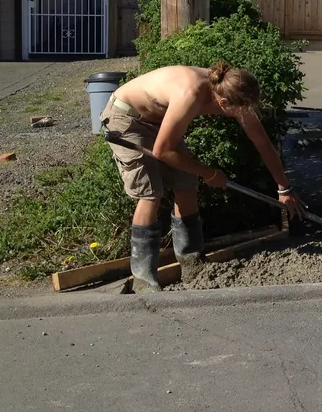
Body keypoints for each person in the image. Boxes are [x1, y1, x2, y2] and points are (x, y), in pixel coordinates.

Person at [101, 62, 306, 292]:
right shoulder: (190, 94)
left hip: (161, 122)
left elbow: (262, 143)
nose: (244, 114)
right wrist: (209, 173)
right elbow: (162, 151)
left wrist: (284, 188)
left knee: (187, 183)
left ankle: (191, 262)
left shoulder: (231, 90)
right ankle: (143, 277)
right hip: (127, 119)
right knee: (151, 192)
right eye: (239, 111)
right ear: (224, 103)